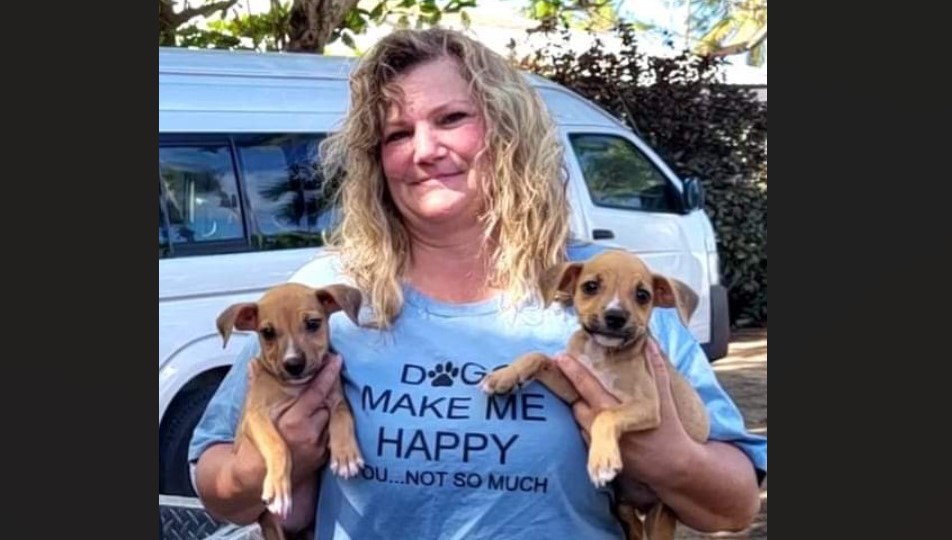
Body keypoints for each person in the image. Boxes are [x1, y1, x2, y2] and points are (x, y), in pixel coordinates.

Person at [188, 27, 767, 539]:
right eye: (396, 135)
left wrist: (671, 459)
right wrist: (261, 464)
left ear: (507, 130)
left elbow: (736, 506)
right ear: (374, 159)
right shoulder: (331, 298)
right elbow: (218, 485)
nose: (423, 150)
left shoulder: (608, 291)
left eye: (451, 119)